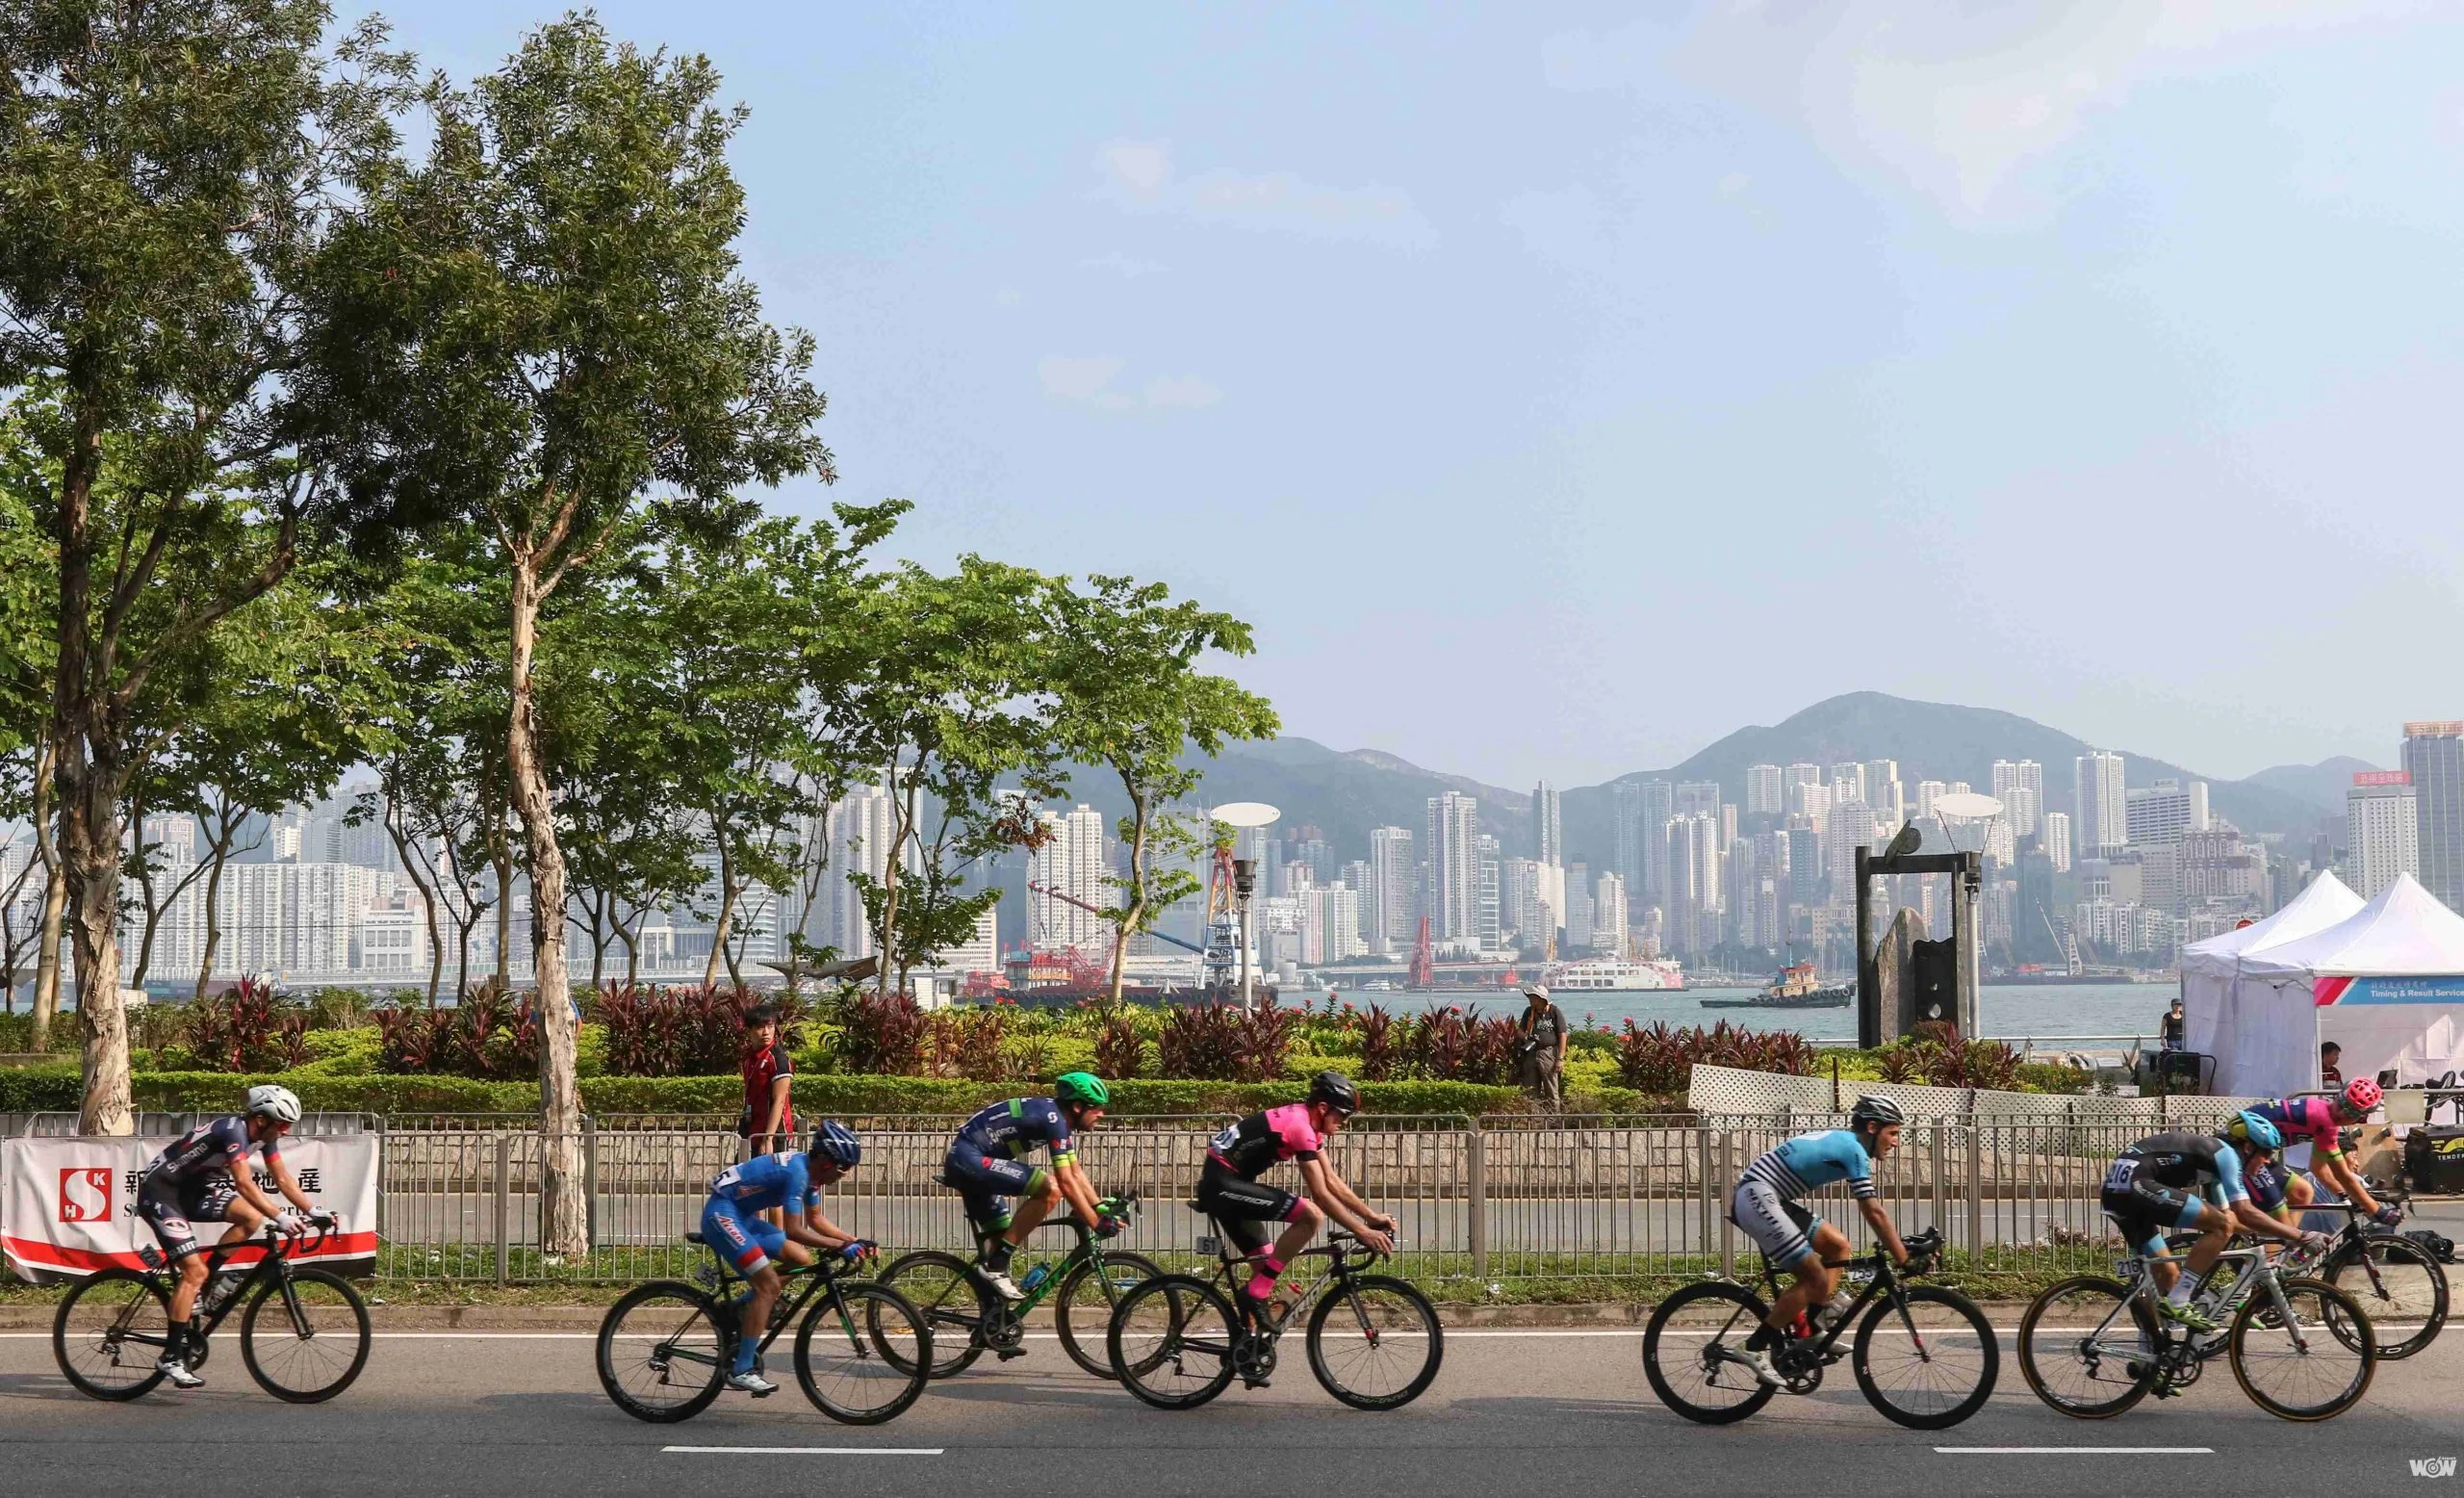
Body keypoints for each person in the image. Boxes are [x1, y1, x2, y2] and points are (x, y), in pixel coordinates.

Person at [136, 1084, 327, 1388]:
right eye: (282, 1124)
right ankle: (170, 1357)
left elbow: (283, 1178)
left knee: (250, 1217)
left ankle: (206, 1282)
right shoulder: (232, 1131)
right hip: (161, 1192)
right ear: (261, 1119)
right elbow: (243, 1183)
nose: (287, 1131)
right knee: (193, 1271)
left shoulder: (263, 1136)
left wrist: (314, 1210)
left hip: (193, 1191)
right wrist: (279, 1216)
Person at [1728, 1095, 1914, 1387]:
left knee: (1838, 1246)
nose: (1895, 1142)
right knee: (1813, 1276)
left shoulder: (1851, 1145)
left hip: (1771, 1196)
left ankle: (1813, 1330)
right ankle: (1752, 1346)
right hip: (1756, 1195)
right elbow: (1873, 1212)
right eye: (1892, 1133)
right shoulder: (1854, 1150)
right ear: (1872, 1127)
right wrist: (1903, 1257)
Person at [1195, 1071, 1397, 1331]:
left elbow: (1332, 1181)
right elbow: (1321, 1196)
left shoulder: (1311, 1126)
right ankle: (1255, 1295)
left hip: (1235, 1184)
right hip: (1220, 1185)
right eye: (1342, 1115)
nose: (1345, 1122)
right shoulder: (1300, 1127)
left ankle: (1245, 1348)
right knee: (1311, 1216)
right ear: (1323, 1108)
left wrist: (1371, 1217)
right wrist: (1361, 1231)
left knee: (1264, 1265)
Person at [2100, 1111, 2322, 1333]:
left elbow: (2234, 1218)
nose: (2268, 1161)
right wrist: (2298, 1235)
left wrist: (2270, 1234)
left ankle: (2149, 1353)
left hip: (2116, 1192)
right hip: (2136, 1185)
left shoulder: (2211, 1165)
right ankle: (2179, 1301)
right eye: (2265, 1152)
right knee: (2219, 1228)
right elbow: (2241, 1213)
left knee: (2167, 1275)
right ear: (2247, 1147)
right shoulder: (2227, 1155)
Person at [700, 1121, 868, 1396]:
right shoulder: (798, 1174)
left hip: (741, 1216)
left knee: (800, 1258)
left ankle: (743, 1307)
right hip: (722, 1215)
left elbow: (815, 1220)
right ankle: (742, 1370)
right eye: (843, 1168)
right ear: (826, 1161)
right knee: (769, 1286)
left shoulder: (811, 1174)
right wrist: (839, 1247)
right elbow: (794, 1229)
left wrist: (852, 1241)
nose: (845, 1175)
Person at [943, 1072, 1121, 1300]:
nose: (1101, 1114)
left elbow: (1075, 1173)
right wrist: (1096, 1223)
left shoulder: (1058, 1121)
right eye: (1096, 1108)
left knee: (1003, 1238)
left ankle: (991, 1320)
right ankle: (996, 1266)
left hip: (972, 1161)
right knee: (1051, 1189)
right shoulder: (1053, 1119)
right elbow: (1066, 1181)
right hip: (969, 1159)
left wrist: (1098, 1206)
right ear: (1077, 1106)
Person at [2243, 1079, 2402, 1229]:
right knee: (2279, 1222)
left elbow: (2318, 1169)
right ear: (2336, 1097)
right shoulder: (2323, 1119)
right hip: (2243, 1154)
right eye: (2341, 1105)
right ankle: (2270, 1255)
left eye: (2350, 1113)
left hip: (2255, 1154)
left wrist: (2344, 1196)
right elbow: (2344, 1176)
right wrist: (2377, 1210)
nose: (2340, 1114)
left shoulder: (2326, 1119)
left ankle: (2287, 1248)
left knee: (2303, 1192)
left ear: (2360, 1118)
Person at [737, 1003, 795, 1158]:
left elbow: (780, 1101)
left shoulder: (777, 1058)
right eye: (760, 1027)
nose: (766, 1032)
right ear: (749, 1030)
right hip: (751, 1129)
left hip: (774, 1135)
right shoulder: (749, 1057)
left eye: (770, 1026)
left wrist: (768, 1138)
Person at [1515, 983, 1569, 1109]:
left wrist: (1560, 1059)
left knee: (1551, 1089)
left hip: (1548, 1053)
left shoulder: (1554, 1011)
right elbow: (1520, 1031)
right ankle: (1534, 1122)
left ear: (1541, 998)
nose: (1530, 999)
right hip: (1531, 1053)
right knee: (1531, 1090)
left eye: (1533, 997)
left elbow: (1562, 1035)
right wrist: (1526, 1038)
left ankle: (1554, 1121)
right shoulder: (1529, 1012)